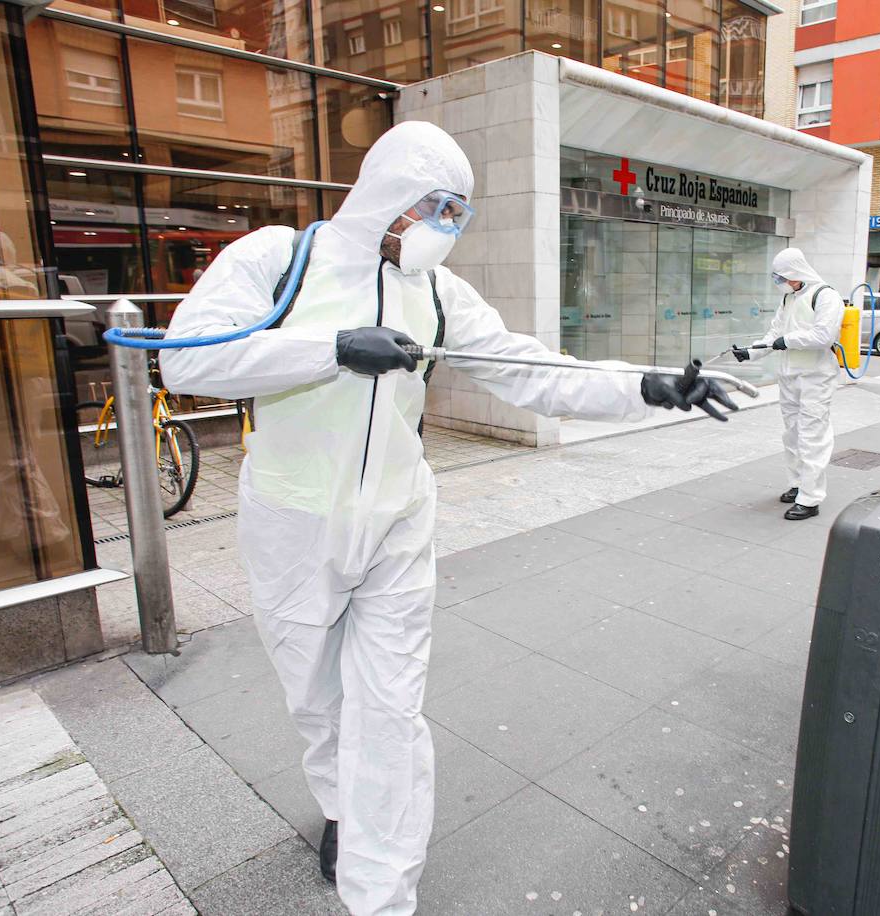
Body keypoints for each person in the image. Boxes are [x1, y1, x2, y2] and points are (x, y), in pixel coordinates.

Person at [158, 121, 735, 915]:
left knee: (390, 711)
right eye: (432, 207)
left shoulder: (435, 291)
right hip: (293, 520)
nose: (443, 228)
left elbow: (528, 370)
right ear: (386, 196)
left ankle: (382, 895)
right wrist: (330, 347)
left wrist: (644, 387)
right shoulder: (277, 258)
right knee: (317, 698)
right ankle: (340, 807)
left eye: (457, 213)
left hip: (398, 517)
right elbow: (187, 359)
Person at [732, 248, 844, 520]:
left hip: (816, 376)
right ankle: (797, 484)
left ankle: (810, 498)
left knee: (811, 435)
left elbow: (823, 336)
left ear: (796, 271)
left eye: (782, 276)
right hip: (790, 374)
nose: (779, 281)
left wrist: (789, 340)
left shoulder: (826, 296)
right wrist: (752, 351)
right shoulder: (789, 298)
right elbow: (775, 333)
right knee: (792, 433)